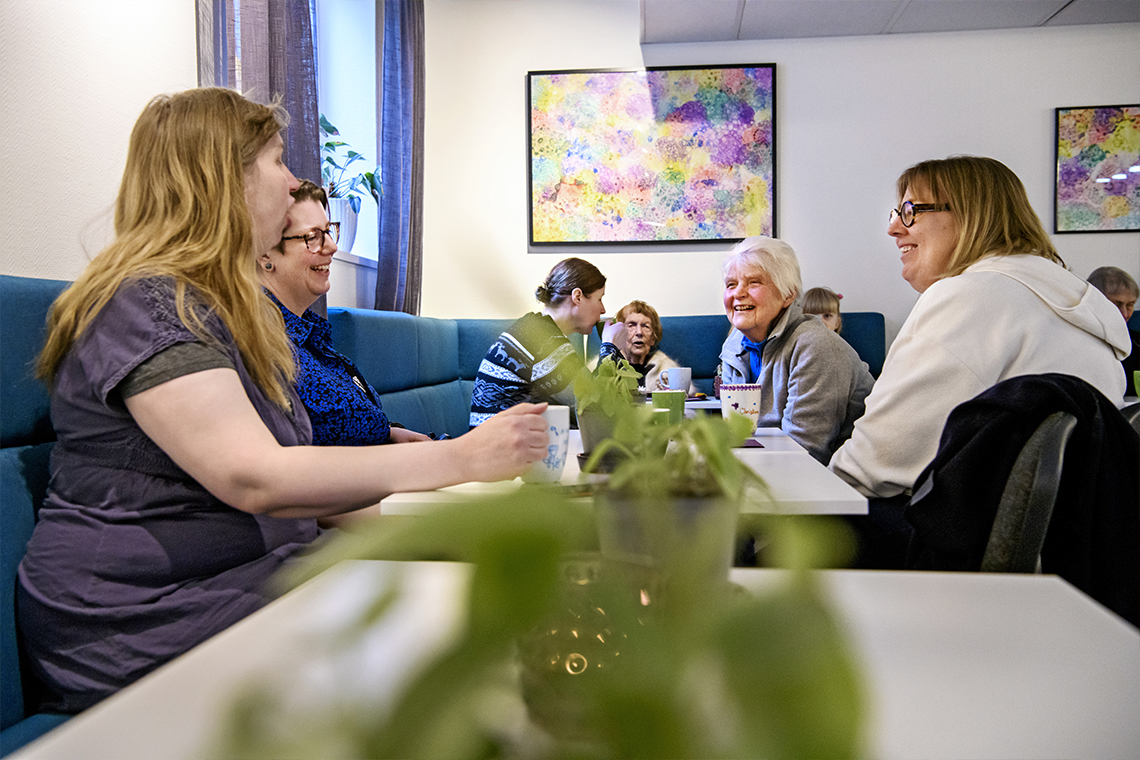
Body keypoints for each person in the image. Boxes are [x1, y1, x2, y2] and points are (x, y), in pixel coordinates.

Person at [18, 88, 548, 713]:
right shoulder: (147, 302)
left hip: (253, 574)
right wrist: (463, 457)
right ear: (224, 178)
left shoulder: (225, 311)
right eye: (276, 160)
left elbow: (304, 501)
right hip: (143, 612)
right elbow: (255, 477)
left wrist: (447, 532)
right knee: (463, 664)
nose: (293, 181)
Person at [828, 156, 1130, 563]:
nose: (894, 228)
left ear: (972, 215)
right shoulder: (1084, 311)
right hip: (1061, 555)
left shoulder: (969, 295)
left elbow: (872, 466)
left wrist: (809, 498)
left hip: (959, 552)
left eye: (911, 211)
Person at [258, 179, 429, 445]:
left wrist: (390, 432)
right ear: (265, 253)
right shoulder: (260, 344)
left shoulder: (311, 336)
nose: (332, 246)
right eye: (312, 236)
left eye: (328, 231)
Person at [719, 236, 875, 464]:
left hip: (837, 479)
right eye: (731, 284)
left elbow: (803, 452)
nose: (738, 293)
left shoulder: (814, 345)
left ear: (788, 295)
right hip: (771, 468)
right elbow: (737, 435)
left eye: (754, 282)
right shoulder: (733, 346)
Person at [469, 258, 623, 427]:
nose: (603, 309)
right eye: (599, 299)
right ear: (577, 297)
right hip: (500, 441)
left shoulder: (534, 327)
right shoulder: (544, 340)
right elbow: (595, 406)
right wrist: (610, 346)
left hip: (501, 436)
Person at [612, 300, 696, 394]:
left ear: (653, 338)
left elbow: (687, 396)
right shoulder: (607, 366)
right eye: (631, 325)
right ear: (619, 333)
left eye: (646, 326)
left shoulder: (666, 368)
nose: (639, 332)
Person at [1087, 266, 1139, 396]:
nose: (1125, 314)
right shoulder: (1081, 344)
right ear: (1094, 301)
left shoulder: (1137, 342)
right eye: (1116, 304)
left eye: (1130, 305)